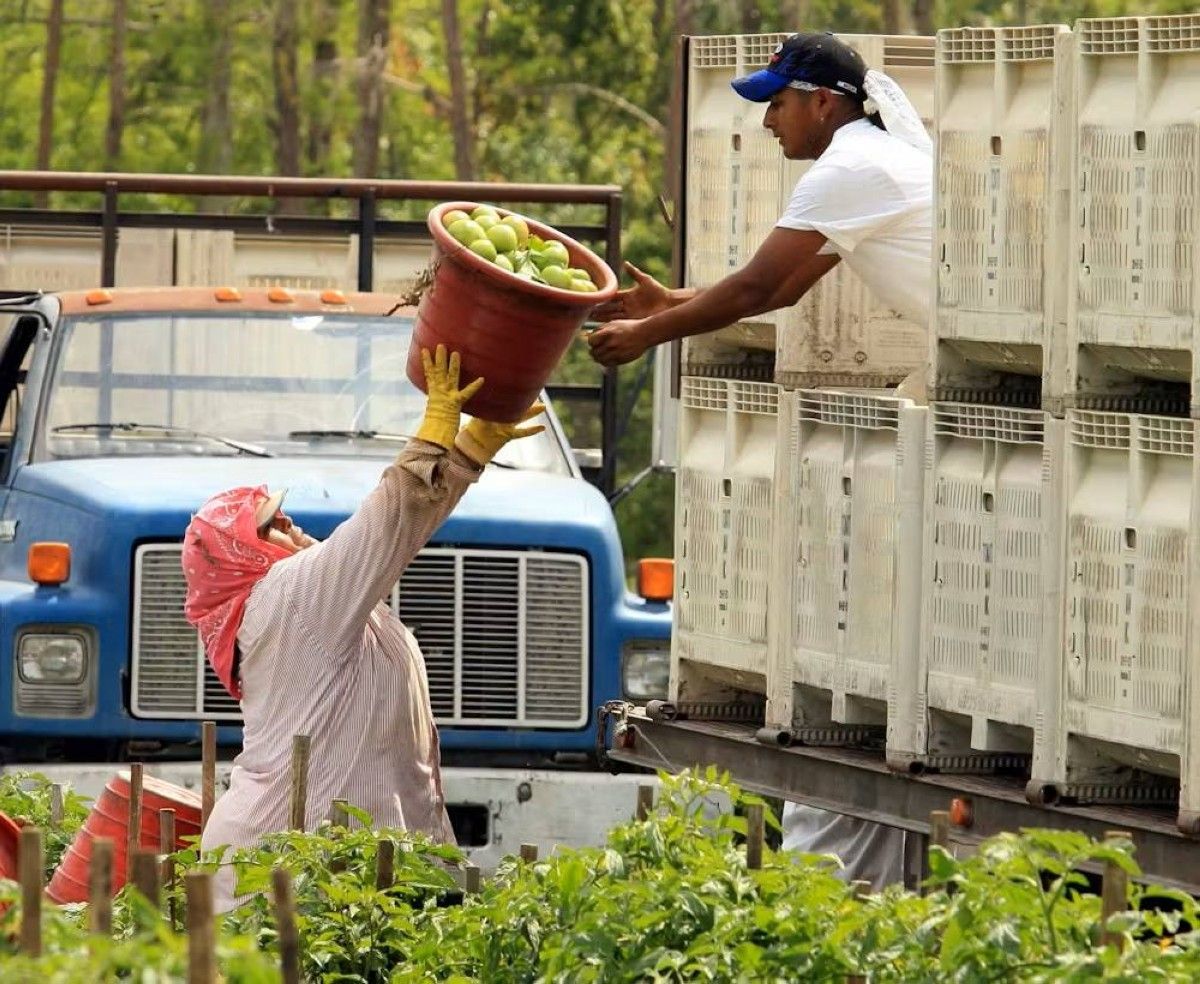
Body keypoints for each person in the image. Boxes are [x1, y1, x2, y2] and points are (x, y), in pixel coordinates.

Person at [589, 32, 932, 888]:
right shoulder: (867, 161)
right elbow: (781, 288)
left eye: (777, 103)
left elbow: (758, 288)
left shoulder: (850, 167)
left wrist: (647, 333)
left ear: (824, 102)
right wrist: (671, 302)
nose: (768, 122)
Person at [182, 345, 544, 911]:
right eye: (271, 523)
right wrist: (437, 439)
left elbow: (398, 532)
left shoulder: (305, 603)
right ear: (240, 555)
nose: (290, 524)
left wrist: (465, 456)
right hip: (284, 867)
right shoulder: (286, 598)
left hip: (326, 862)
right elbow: (387, 524)